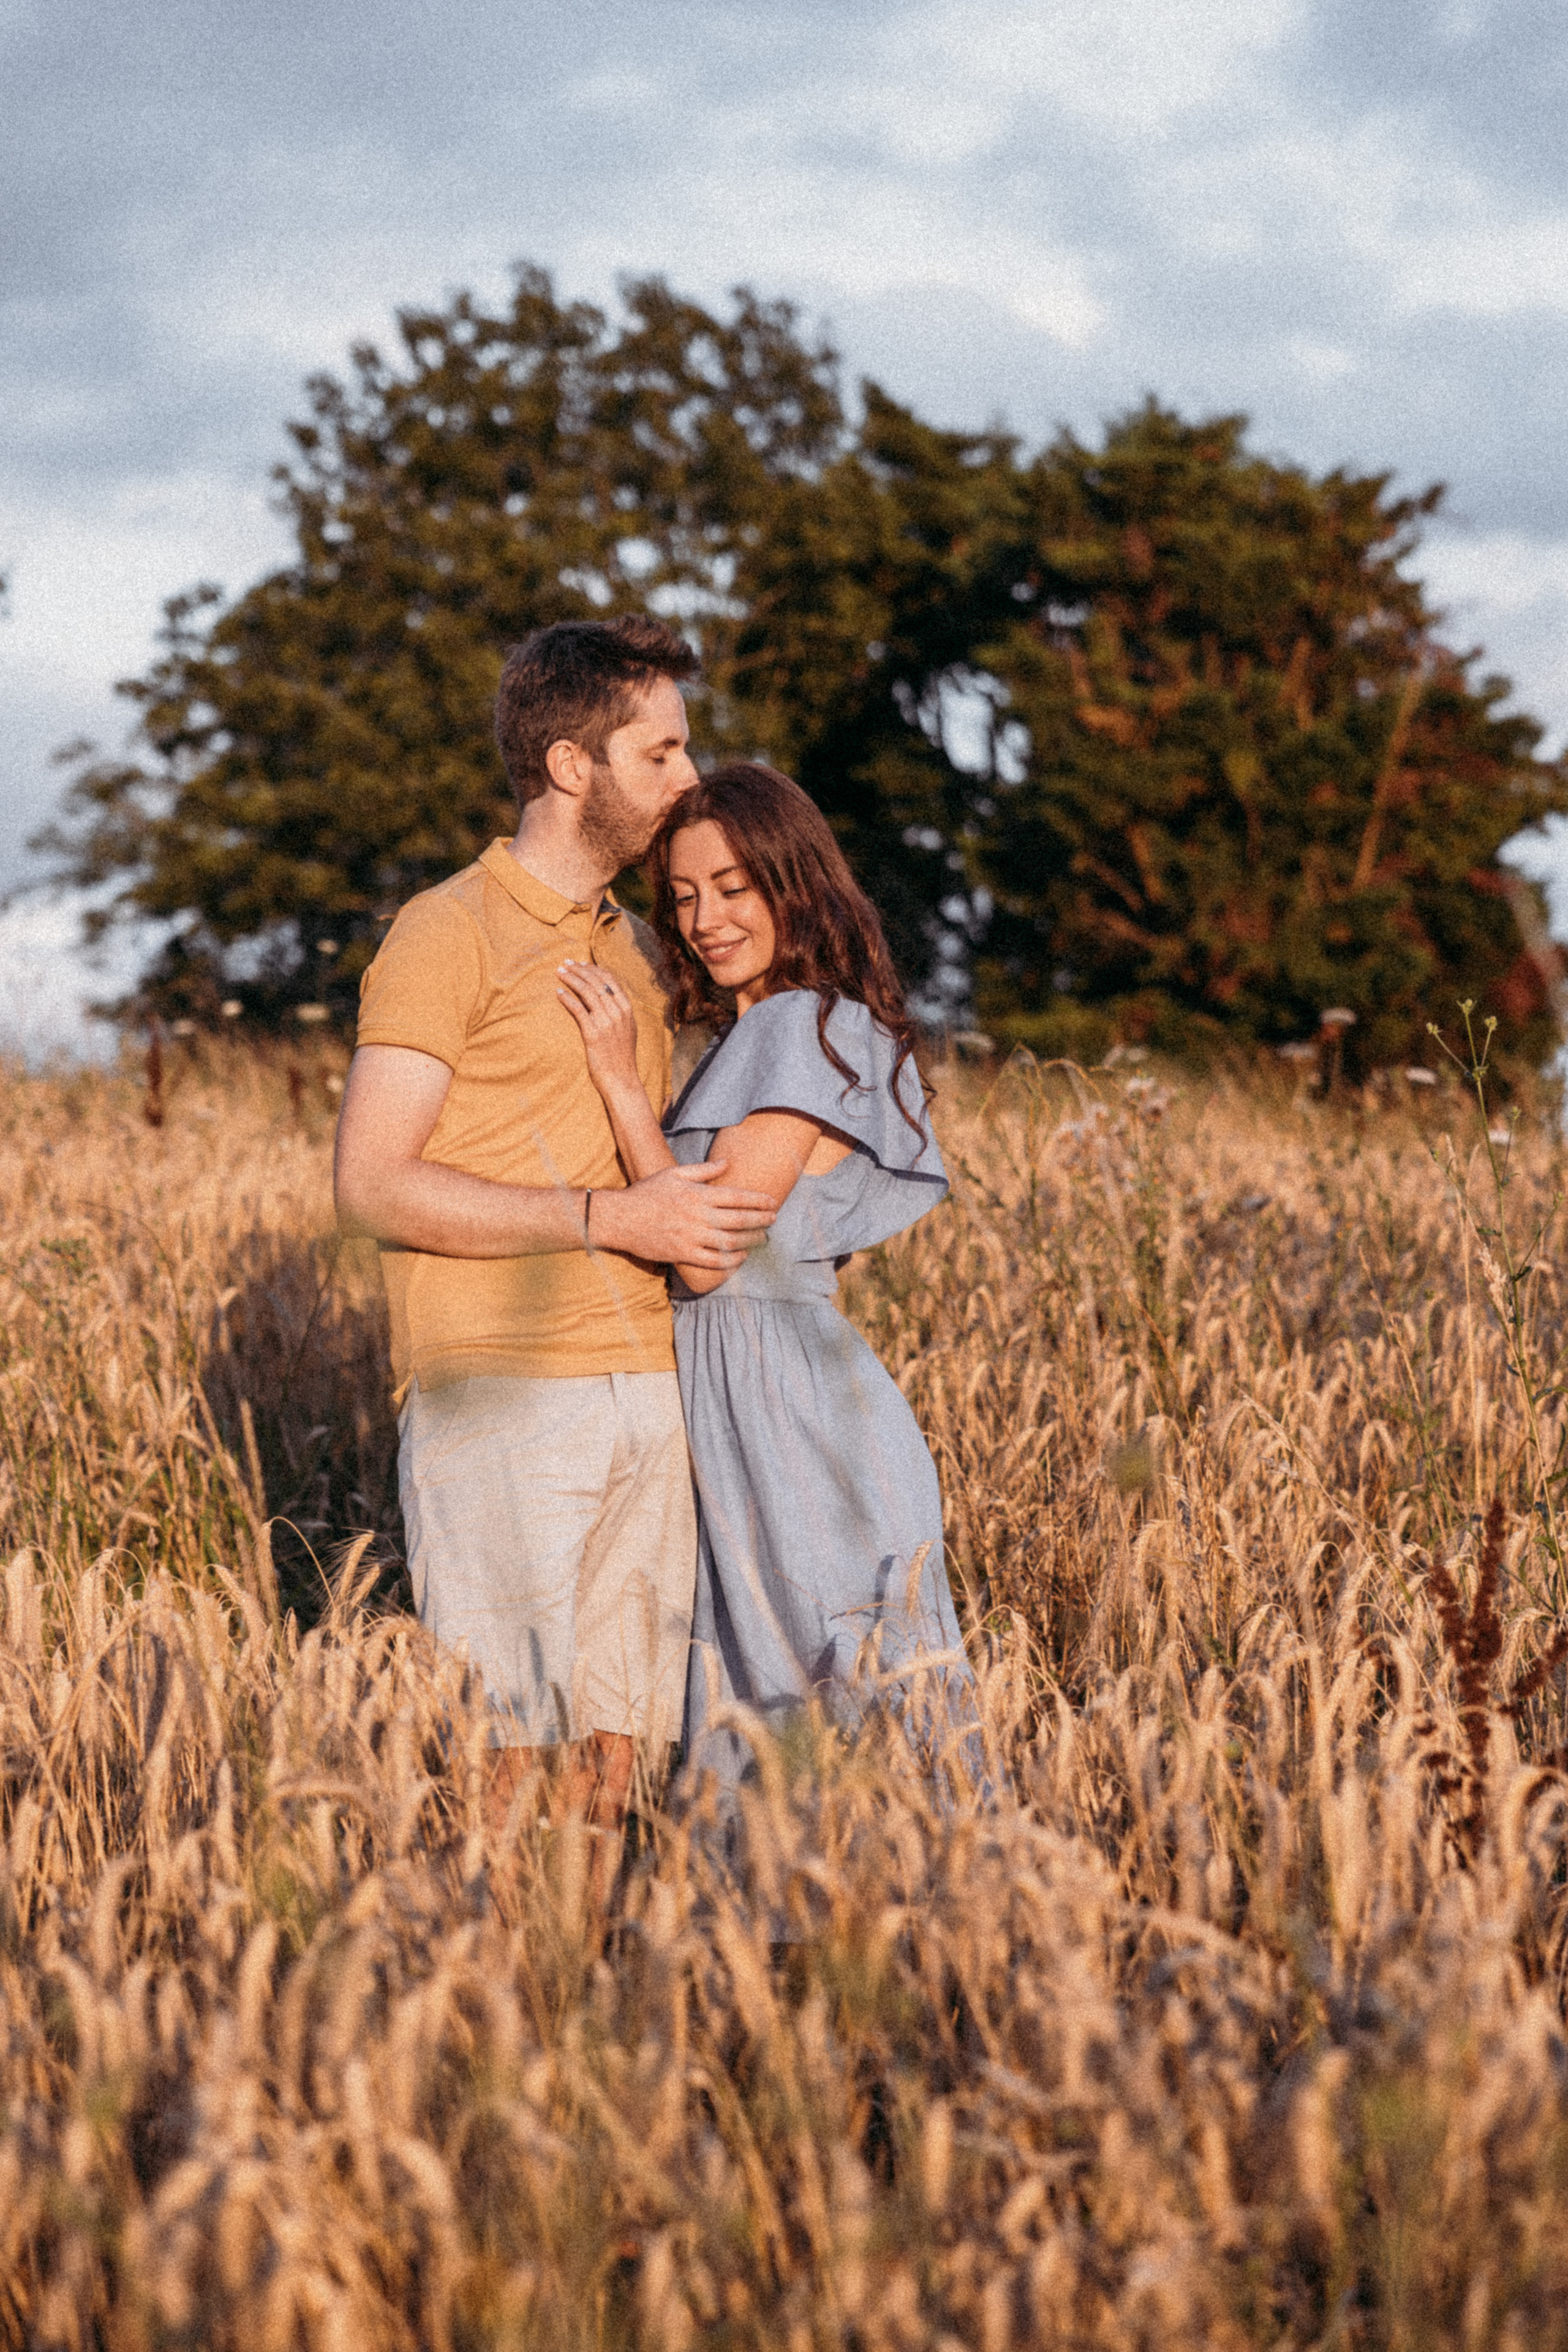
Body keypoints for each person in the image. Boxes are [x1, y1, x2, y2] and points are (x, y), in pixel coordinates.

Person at [333, 620, 778, 1874]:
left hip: (651, 1388)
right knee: (510, 1758)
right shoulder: (445, 930)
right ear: (574, 765)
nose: (690, 779)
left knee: (612, 1762)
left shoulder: (626, 946)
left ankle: (570, 2039)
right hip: (504, 1396)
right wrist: (604, 1220)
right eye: (663, 751)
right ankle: (491, 2033)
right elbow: (370, 1183)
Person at [556, 760, 976, 1801]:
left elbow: (706, 1250)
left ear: (794, 881)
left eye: (733, 887)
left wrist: (616, 1086)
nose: (704, 919)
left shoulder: (800, 1025)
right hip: (762, 1395)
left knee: (812, 1702)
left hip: (788, 1413)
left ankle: (847, 1945)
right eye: (686, 896)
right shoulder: (762, 1036)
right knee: (788, 1703)